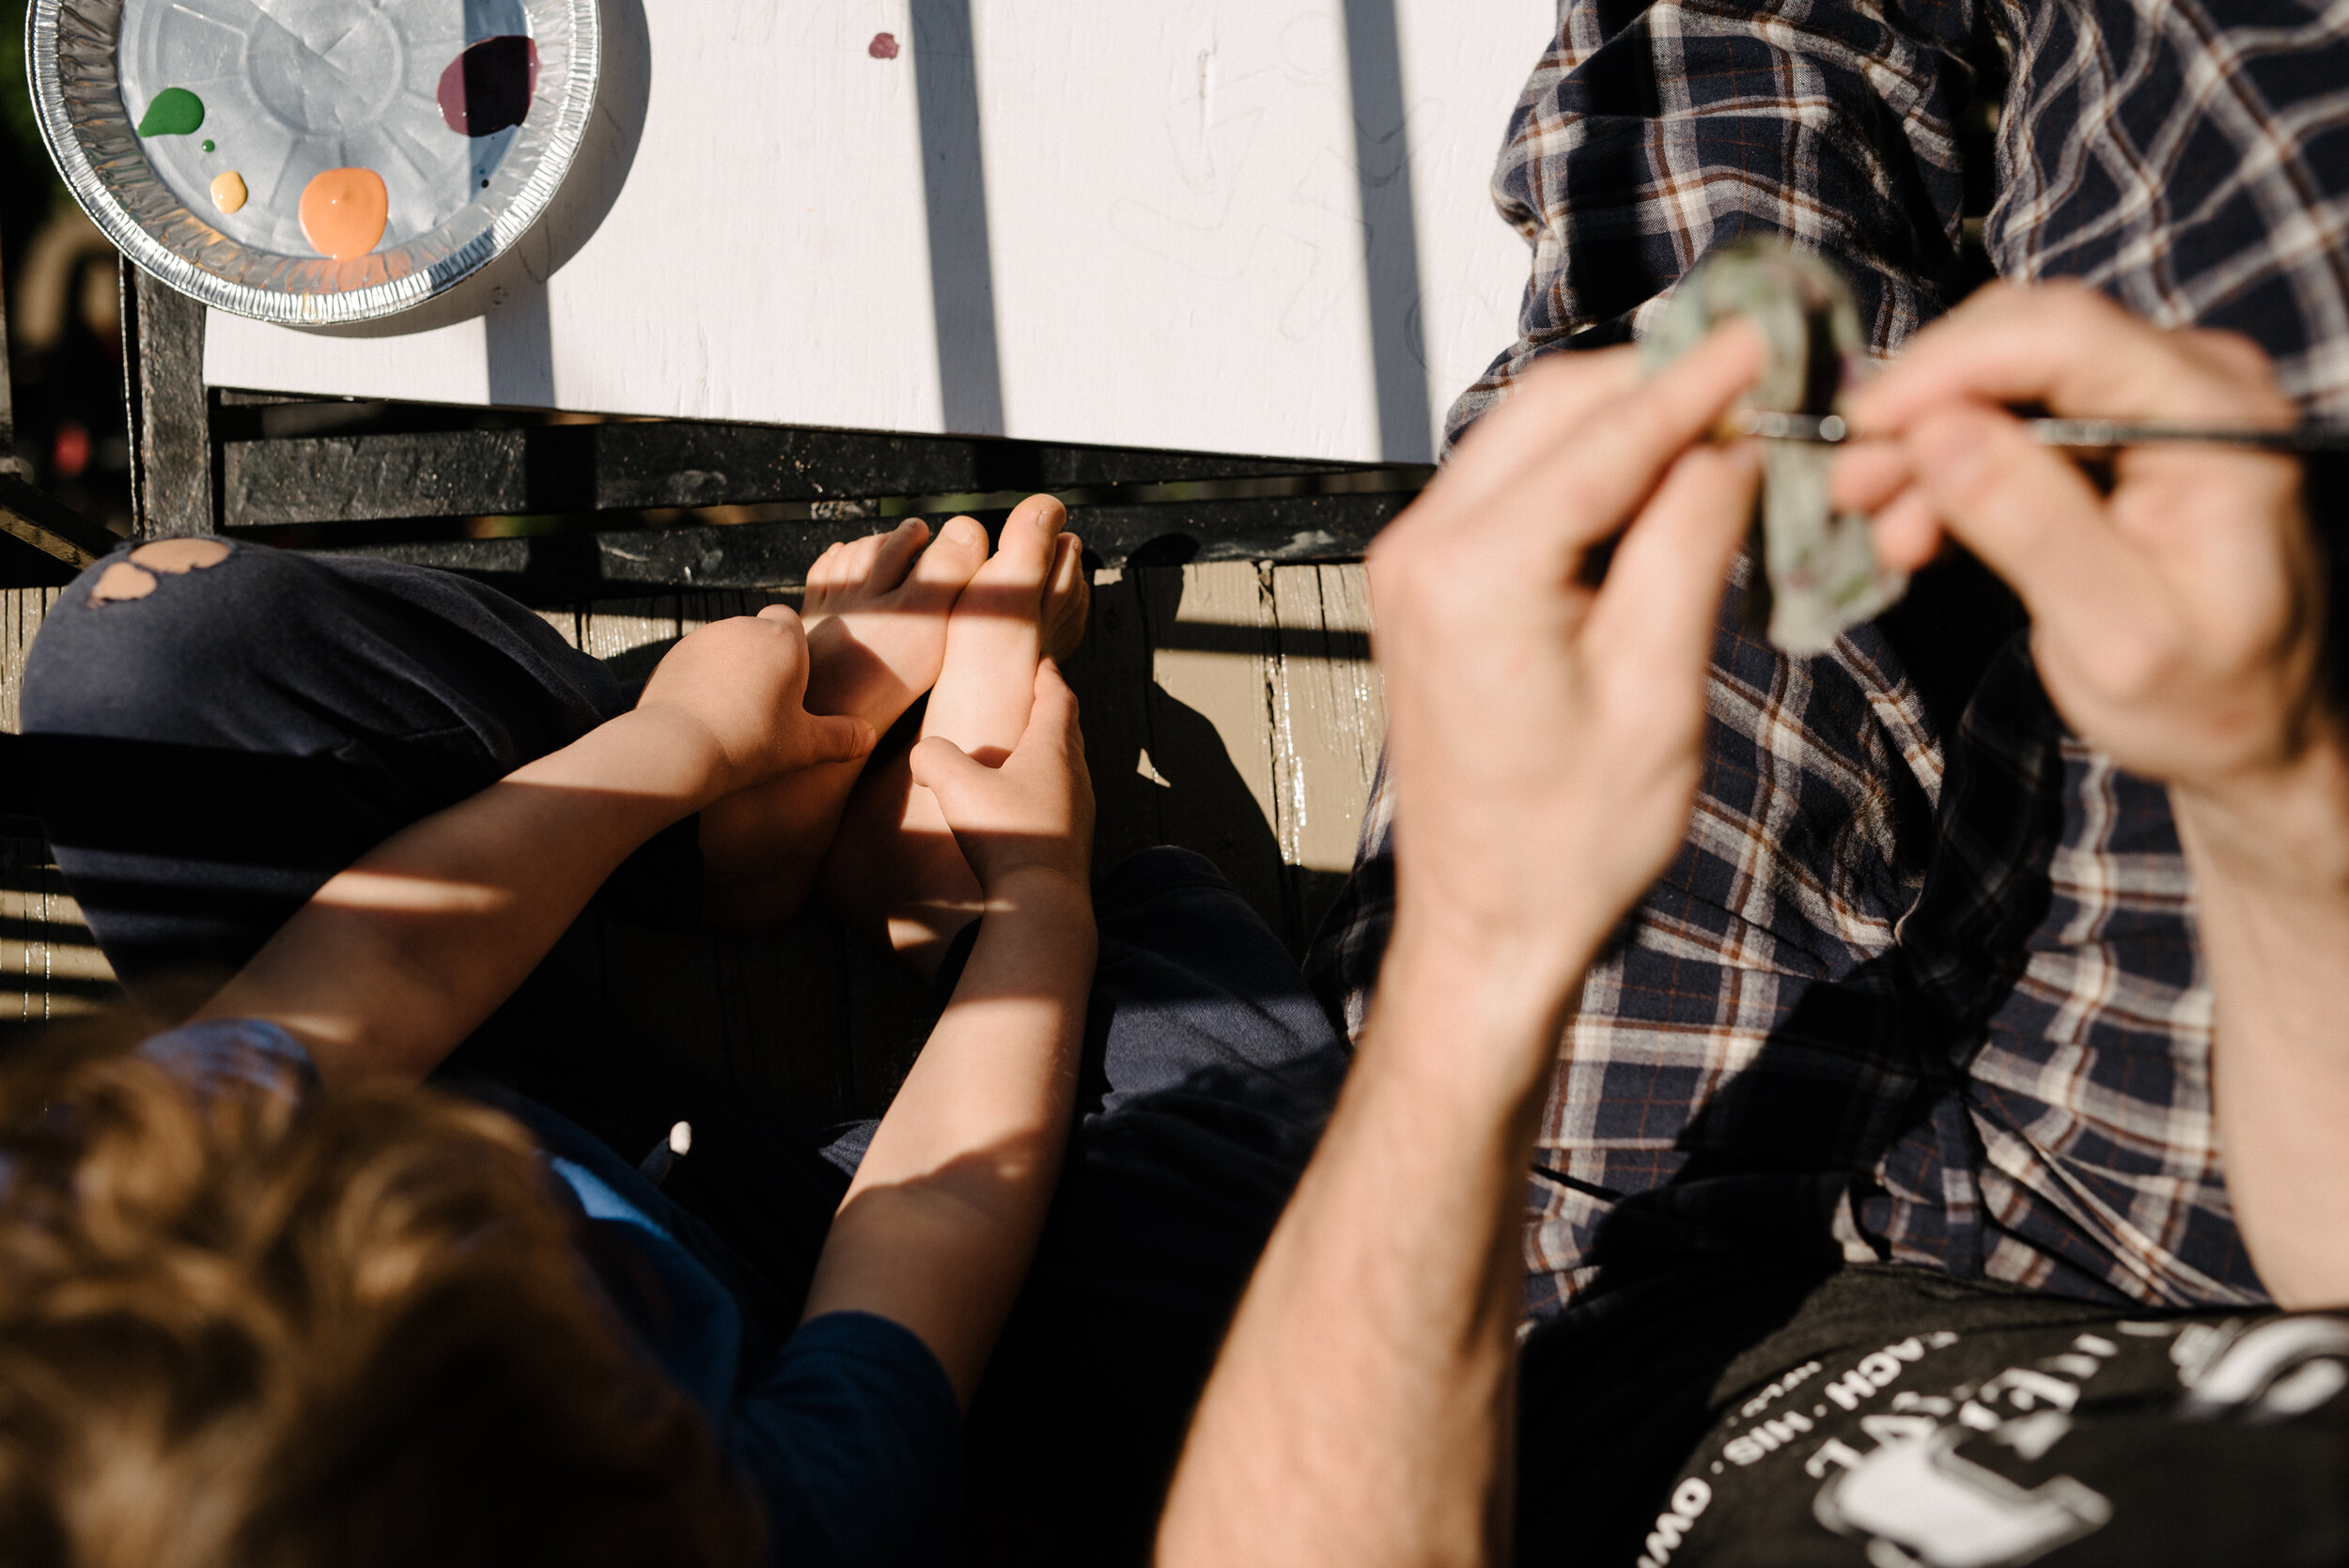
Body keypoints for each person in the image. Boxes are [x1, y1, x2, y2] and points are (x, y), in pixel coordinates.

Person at [1158, 284, 2349, 1566]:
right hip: (2198, 1245)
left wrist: (1480, 946)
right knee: (2203, 296)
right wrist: (2269, 777)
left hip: (1587, 1358)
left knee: (1668, 351)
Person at [0, 498, 1354, 1567]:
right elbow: (921, 1237)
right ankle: (920, 884)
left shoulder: (102, 1243)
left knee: (142, 654)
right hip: (849, 1320)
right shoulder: (737, 1527)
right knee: (1278, 1227)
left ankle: (736, 815)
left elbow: (390, 959)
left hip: (502, 1108)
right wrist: (1037, 908)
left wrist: (679, 746)